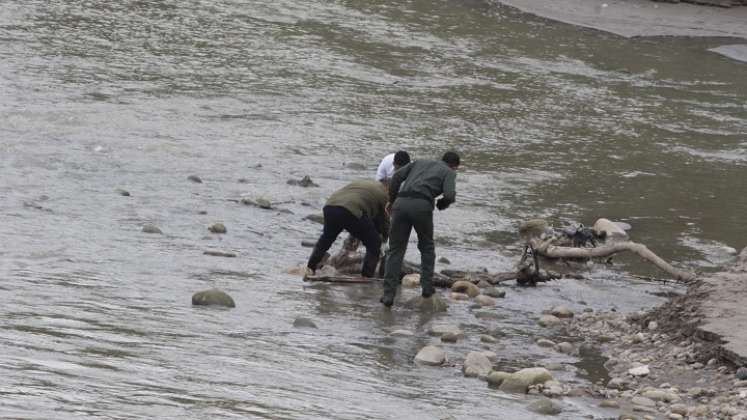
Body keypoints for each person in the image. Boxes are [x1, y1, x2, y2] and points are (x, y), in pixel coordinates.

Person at [380, 151, 460, 307]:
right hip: (422, 207)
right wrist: (442, 204)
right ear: (454, 166)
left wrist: (392, 199)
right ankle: (426, 288)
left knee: (395, 250)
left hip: (401, 204)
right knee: (426, 247)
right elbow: (450, 195)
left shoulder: (418, 162)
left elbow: (396, 177)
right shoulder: (448, 172)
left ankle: (388, 295)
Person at [306, 179, 389, 278]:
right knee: (374, 243)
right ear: (387, 188)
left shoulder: (364, 183)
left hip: (330, 206)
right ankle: (366, 276)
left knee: (326, 239)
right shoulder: (384, 194)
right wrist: (385, 238)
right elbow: (384, 220)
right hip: (350, 210)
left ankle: (310, 268)